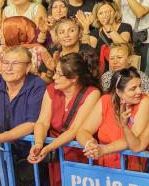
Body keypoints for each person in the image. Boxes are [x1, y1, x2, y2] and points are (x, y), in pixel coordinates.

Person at [0, 45, 46, 183]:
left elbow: (31, 124)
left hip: (29, 156)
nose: (8, 68)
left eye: (15, 63)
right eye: (5, 62)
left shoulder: (37, 85)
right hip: (0, 155)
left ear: (28, 66)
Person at [27, 53, 102, 186]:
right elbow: (42, 122)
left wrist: (48, 148)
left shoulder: (92, 93)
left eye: (59, 74)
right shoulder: (51, 89)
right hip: (57, 154)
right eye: (55, 72)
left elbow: (74, 129)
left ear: (74, 78)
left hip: (79, 155)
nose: (54, 77)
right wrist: (39, 144)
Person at [77, 67, 149, 170]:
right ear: (118, 92)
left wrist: (103, 150)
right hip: (105, 167)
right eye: (133, 88)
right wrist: (90, 145)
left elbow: (134, 139)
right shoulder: (105, 100)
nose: (139, 91)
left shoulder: (145, 102)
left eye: (140, 86)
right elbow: (82, 131)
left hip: (132, 170)